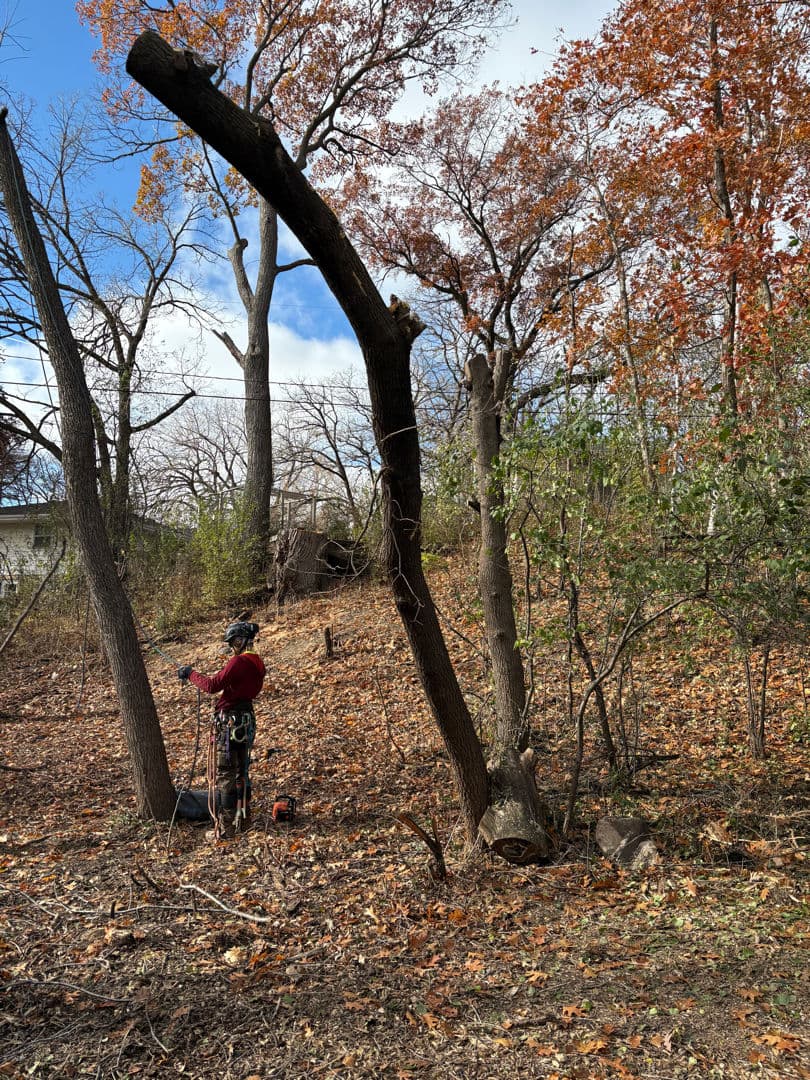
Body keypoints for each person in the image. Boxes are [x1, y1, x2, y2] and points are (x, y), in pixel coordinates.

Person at [178, 621, 265, 839]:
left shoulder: (239, 662)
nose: (232, 647)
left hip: (230, 724)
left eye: (233, 642)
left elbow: (212, 685)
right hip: (246, 721)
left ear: (240, 641)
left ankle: (225, 829)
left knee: (226, 774)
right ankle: (244, 822)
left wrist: (190, 674)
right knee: (242, 772)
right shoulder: (258, 663)